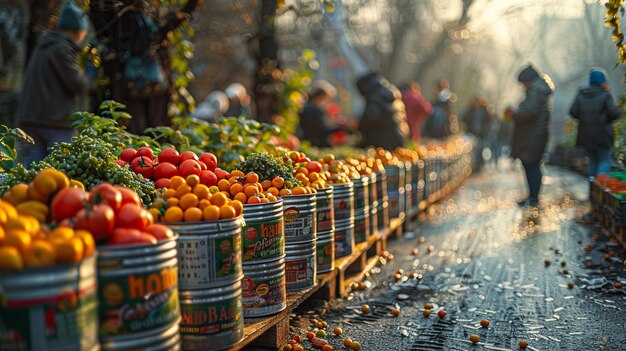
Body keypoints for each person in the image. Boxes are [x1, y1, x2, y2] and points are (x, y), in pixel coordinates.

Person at [90, 0, 200, 134]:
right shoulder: (143, 20)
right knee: (150, 128)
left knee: (136, 128)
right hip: (149, 81)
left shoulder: (121, 20)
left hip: (130, 81)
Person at [17, 0, 94, 165]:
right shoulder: (62, 48)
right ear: (78, 30)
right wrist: (89, 74)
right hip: (55, 123)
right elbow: (77, 84)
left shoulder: (45, 43)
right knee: (59, 171)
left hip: (31, 118)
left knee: (28, 176)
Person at [507, 64, 554, 207]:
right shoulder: (538, 90)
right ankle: (532, 196)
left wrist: (514, 113)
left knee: (532, 165)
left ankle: (534, 198)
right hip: (534, 135)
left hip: (534, 136)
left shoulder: (537, 91)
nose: (523, 86)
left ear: (529, 81)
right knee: (529, 165)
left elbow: (530, 112)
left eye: (524, 83)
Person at [569, 67, 622, 180]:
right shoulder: (605, 95)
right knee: (605, 160)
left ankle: (593, 189)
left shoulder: (581, 93)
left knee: (592, 161)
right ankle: (600, 187)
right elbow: (614, 113)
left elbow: (573, 112)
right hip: (603, 135)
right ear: (603, 81)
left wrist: (584, 118)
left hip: (586, 135)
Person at [356, 72, 409, 150]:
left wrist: (359, 128)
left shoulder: (376, 96)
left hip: (381, 141)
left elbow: (371, 117)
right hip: (399, 136)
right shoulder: (391, 92)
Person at [298, 80, 343, 147]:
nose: (327, 101)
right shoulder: (312, 110)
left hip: (309, 143)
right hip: (313, 144)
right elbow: (321, 130)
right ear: (321, 97)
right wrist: (341, 127)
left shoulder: (308, 107)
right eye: (327, 98)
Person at [463, 96, 493, 171]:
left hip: (481, 134)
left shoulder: (485, 111)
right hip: (472, 133)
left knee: (480, 150)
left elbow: (490, 120)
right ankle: (473, 166)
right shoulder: (470, 110)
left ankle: (479, 165)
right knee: (473, 151)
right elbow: (464, 118)